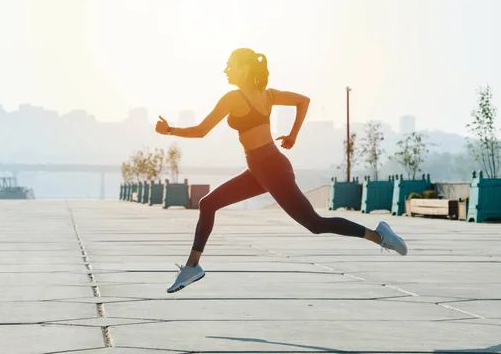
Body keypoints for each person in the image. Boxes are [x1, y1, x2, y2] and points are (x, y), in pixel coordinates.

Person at [155, 48, 407, 294]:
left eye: (230, 65)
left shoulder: (234, 97)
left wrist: (169, 131)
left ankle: (378, 235)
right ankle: (192, 266)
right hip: (260, 169)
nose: (225, 70)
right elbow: (303, 101)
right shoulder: (267, 95)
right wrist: (293, 136)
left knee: (316, 224)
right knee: (208, 204)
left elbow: (201, 130)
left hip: (271, 169)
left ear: (243, 68)